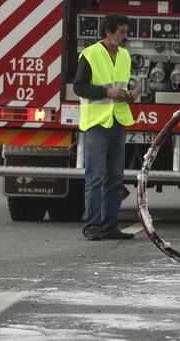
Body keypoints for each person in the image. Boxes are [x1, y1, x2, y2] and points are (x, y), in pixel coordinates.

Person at [75, 13, 135, 241]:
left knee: (115, 178)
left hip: (118, 120)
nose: (125, 36)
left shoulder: (125, 56)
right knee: (96, 178)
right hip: (97, 123)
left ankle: (110, 225)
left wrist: (127, 95)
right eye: (121, 32)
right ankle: (92, 227)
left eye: (125, 32)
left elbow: (120, 84)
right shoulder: (90, 54)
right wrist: (105, 92)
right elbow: (79, 87)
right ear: (108, 32)